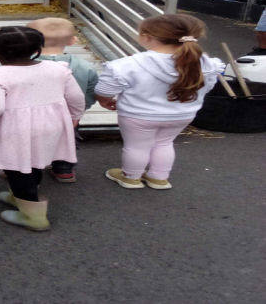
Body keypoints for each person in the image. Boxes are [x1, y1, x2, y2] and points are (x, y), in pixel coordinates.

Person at [0, 26, 85, 231]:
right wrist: (75, 116)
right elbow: (76, 97)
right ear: (37, 48)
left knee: (18, 168)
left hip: (15, 130)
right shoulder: (58, 69)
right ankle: (19, 197)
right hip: (51, 124)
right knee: (35, 161)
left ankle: (33, 216)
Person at [94, 14, 224, 190]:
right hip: (182, 115)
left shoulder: (129, 64)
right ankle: (159, 178)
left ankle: (131, 177)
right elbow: (207, 86)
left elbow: (105, 89)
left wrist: (105, 100)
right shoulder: (206, 63)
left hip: (139, 115)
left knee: (137, 147)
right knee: (164, 143)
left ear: (147, 37)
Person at [27, 17, 98, 183]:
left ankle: (22, 169)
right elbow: (90, 91)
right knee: (66, 139)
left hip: (29, 114)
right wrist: (79, 111)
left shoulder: (18, 64)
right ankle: (64, 169)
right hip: (67, 115)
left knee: (26, 140)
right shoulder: (85, 66)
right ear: (73, 40)